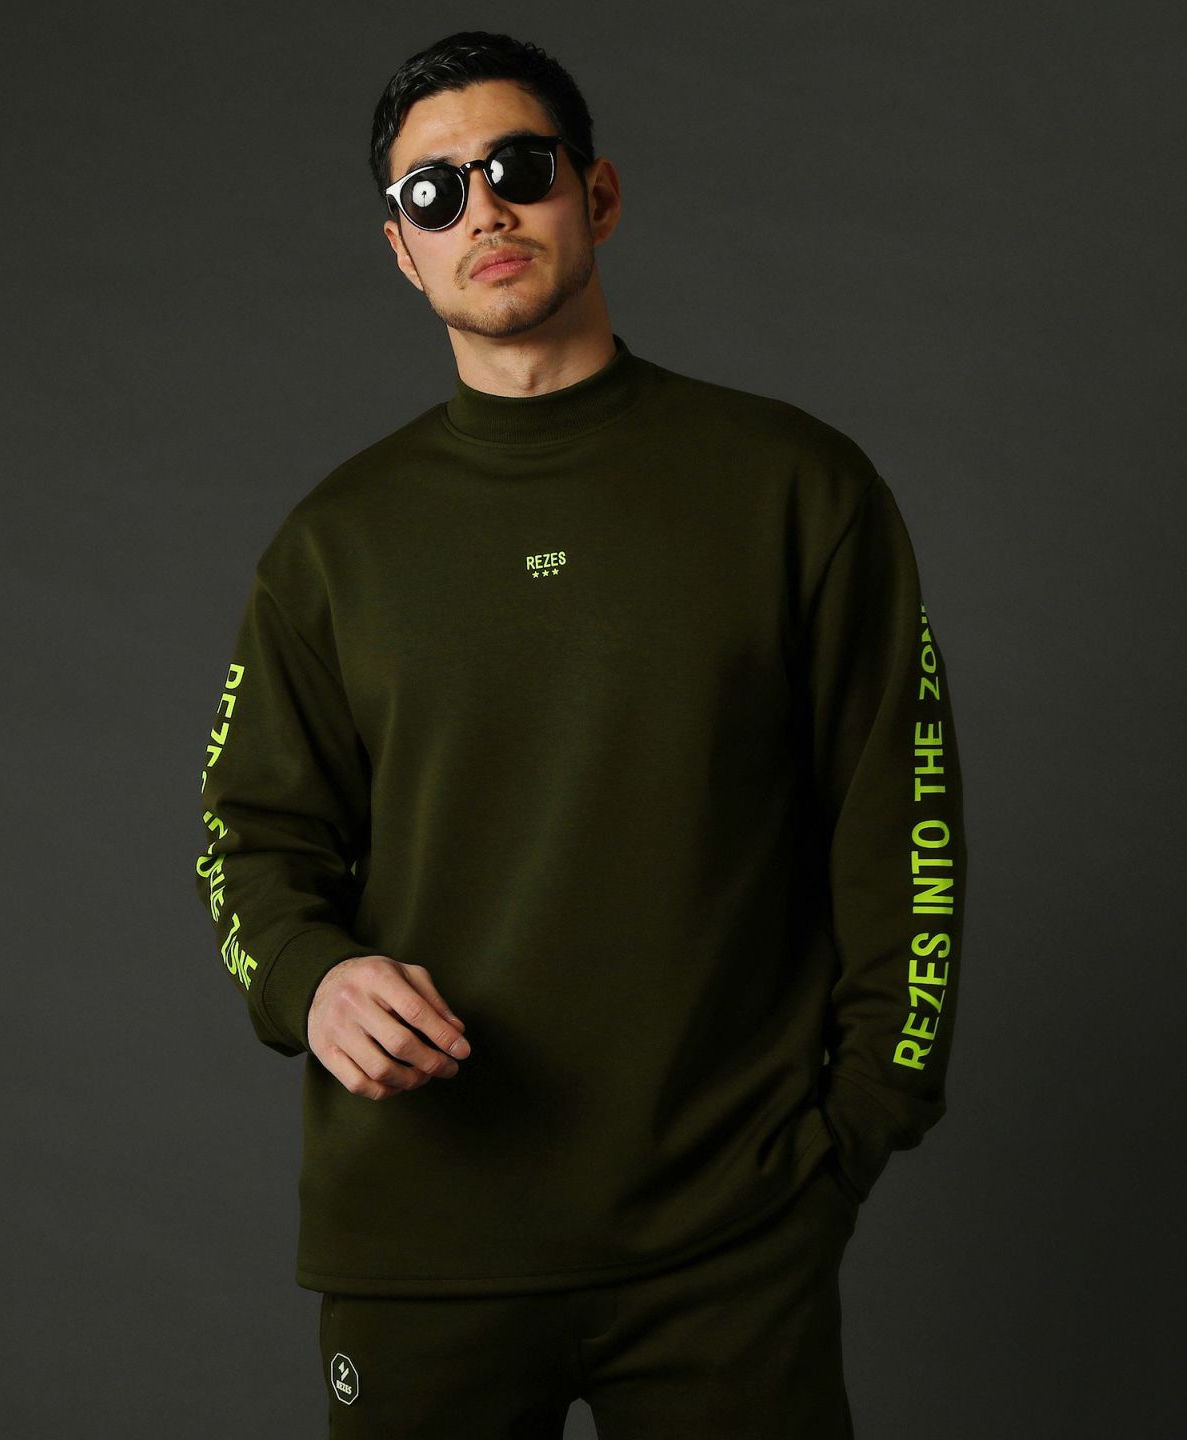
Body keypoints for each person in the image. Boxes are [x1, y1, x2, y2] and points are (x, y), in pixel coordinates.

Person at [193, 28, 967, 1440]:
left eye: (520, 167)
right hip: (421, 1247)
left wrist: (859, 1127)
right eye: (436, 193)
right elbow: (245, 841)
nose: (483, 208)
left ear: (596, 194)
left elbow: (901, 829)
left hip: (732, 1244)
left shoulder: (796, 488)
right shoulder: (334, 545)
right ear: (402, 251)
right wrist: (312, 982)